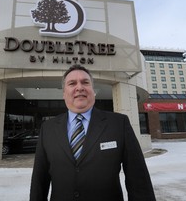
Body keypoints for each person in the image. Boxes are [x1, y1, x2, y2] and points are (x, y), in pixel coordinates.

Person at [30, 64, 156, 201]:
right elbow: (39, 181)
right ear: (64, 93)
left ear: (93, 90)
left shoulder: (119, 124)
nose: (79, 87)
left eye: (85, 82)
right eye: (72, 83)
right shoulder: (48, 128)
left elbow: (139, 179)